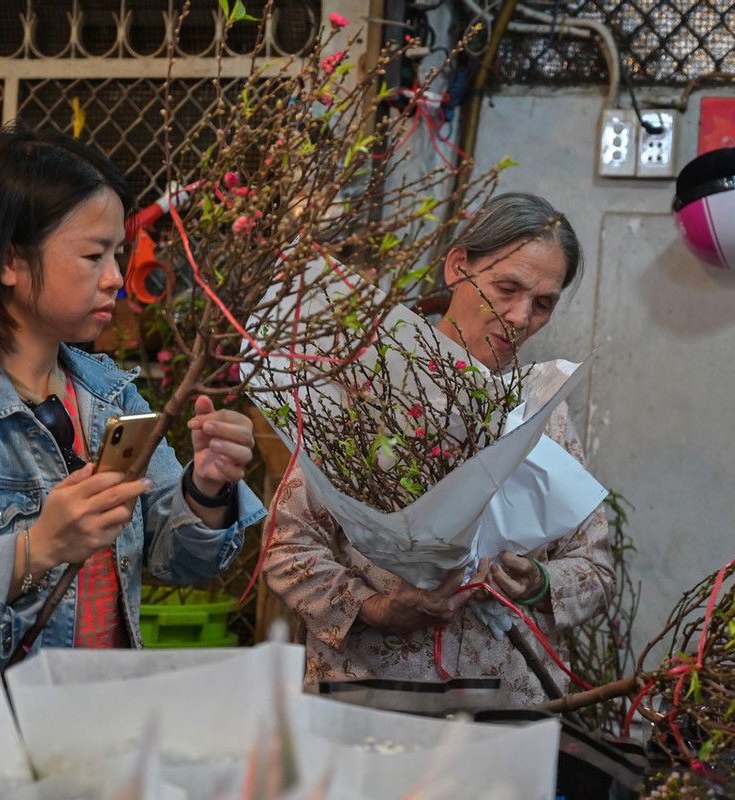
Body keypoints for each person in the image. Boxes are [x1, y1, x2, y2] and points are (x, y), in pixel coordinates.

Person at [0, 124, 266, 700]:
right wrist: (37, 548)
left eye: (117, 253)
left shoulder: (110, 395)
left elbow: (180, 559)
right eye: (94, 255)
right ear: (8, 262)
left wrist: (209, 487)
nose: (117, 278)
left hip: (94, 727)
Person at [263, 192, 615, 704]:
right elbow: (287, 546)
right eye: (506, 287)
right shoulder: (372, 383)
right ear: (457, 267)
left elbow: (595, 569)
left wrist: (538, 581)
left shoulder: (542, 411)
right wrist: (377, 608)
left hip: (501, 704)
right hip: (370, 692)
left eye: (543, 304)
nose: (521, 317)